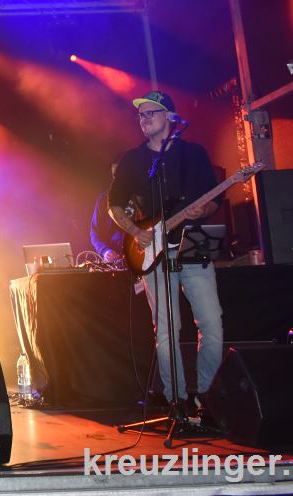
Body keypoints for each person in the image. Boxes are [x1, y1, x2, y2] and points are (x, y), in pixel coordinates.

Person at [108, 91, 223, 414]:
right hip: (153, 253)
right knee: (166, 330)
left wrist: (205, 209)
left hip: (192, 248)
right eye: (140, 115)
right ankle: (177, 400)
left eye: (150, 113)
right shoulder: (133, 160)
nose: (143, 119)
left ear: (170, 117)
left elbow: (214, 199)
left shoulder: (194, 154)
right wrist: (135, 232)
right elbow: (114, 205)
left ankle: (207, 397)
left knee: (212, 324)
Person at [91, 158, 126, 264]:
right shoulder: (103, 199)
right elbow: (95, 233)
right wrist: (105, 251)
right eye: (114, 175)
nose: (117, 179)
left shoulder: (140, 198)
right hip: (114, 261)